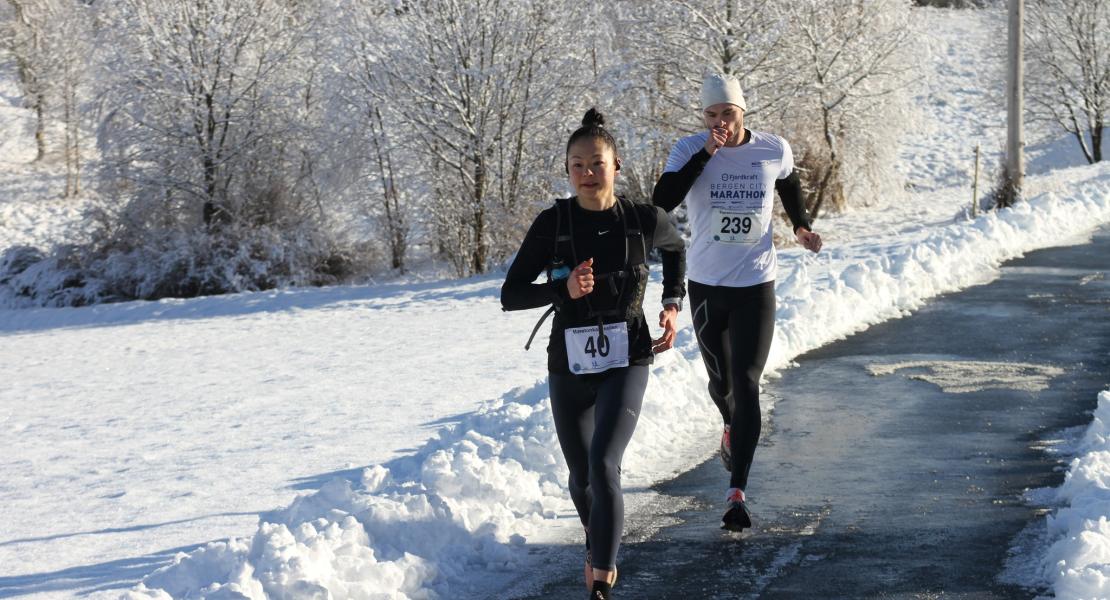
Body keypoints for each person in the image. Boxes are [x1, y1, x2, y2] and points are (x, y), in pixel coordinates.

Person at [501, 108, 686, 600]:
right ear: (567, 171)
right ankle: (595, 536)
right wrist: (564, 288)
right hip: (569, 362)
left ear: (616, 166)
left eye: (597, 163)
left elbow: (677, 247)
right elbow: (511, 294)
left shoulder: (643, 219)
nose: (587, 173)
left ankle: (601, 576)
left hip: (628, 356)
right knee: (582, 476)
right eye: (577, 164)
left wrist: (672, 304)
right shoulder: (552, 224)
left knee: (605, 464)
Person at [652, 73, 823, 532]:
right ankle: (730, 424)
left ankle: (737, 492)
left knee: (747, 381)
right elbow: (661, 202)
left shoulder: (772, 148)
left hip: (755, 284)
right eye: (712, 115)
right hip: (706, 286)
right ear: (703, 117)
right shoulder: (689, 149)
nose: (720, 122)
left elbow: (787, 183)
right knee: (722, 384)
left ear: (743, 112)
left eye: (728, 113)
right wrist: (707, 154)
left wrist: (800, 226)